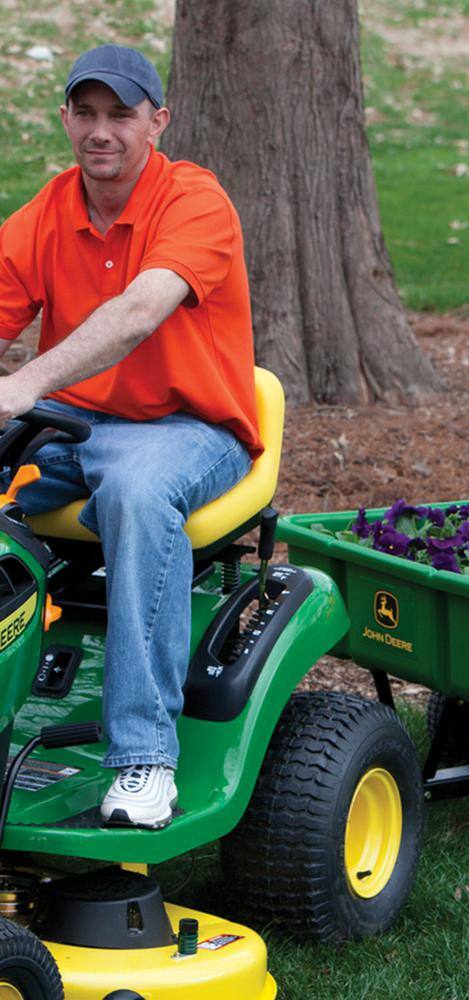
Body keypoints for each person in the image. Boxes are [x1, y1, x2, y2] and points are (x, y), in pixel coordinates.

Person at [0, 45, 260, 829]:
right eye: (87, 113)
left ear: (158, 121)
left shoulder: (195, 201)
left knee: (141, 496)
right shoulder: (49, 212)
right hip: (73, 428)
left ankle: (144, 760)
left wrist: (25, 383)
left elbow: (142, 311)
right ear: (66, 120)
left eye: (121, 114)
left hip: (190, 429)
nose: (102, 131)